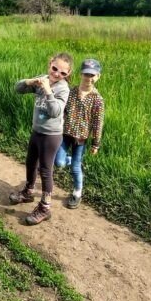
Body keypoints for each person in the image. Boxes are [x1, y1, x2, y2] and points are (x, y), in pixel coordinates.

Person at [9, 53, 73, 225]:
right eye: (55, 68)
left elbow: (55, 111)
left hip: (51, 135)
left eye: (63, 73)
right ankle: (28, 192)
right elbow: (18, 89)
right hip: (37, 131)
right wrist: (30, 81)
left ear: (67, 74)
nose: (57, 74)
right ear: (50, 63)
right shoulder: (43, 79)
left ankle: (45, 207)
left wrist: (48, 91)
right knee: (31, 163)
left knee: (45, 170)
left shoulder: (63, 88)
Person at [54, 59, 105, 209]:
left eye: (92, 75)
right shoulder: (70, 92)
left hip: (80, 139)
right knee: (59, 163)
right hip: (64, 134)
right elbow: (61, 110)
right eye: (86, 74)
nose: (88, 78)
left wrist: (96, 144)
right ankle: (68, 159)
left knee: (76, 168)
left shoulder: (97, 100)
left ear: (98, 77)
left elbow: (98, 123)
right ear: (80, 74)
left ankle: (77, 193)